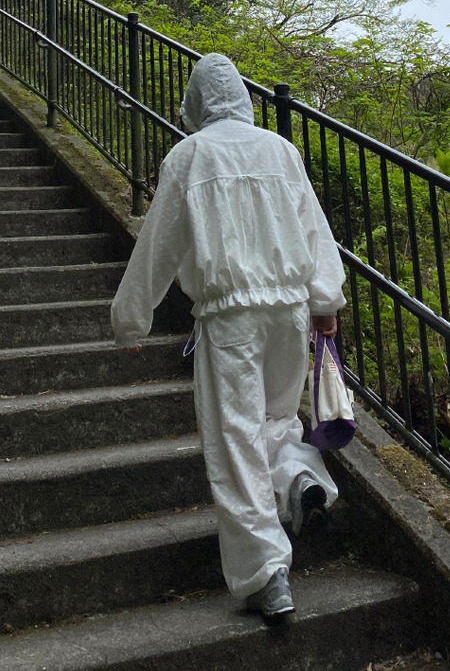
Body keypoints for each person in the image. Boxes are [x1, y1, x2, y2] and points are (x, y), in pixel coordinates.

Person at [111, 53, 346, 619]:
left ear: (196, 102)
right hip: (289, 311)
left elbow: (159, 244)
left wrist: (130, 319)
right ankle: (300, 478)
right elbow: (313, 228)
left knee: (235, 439)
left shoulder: (188, 156)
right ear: (241, 95)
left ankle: (266, 573)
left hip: (230, 318)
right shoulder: (280, 150)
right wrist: (326, 302)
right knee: (277, 420)